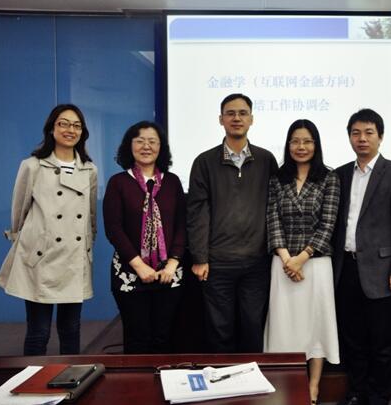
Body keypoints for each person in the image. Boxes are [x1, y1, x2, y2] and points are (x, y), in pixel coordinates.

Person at [0, 103, 97, 355]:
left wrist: (87, 245)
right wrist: (24, 242)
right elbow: (19, 210)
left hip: (73, 258)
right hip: (41, 258)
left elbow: (90, 215)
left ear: (82, 132)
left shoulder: (89, 169)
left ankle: (71, 376)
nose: (70, 130)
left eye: (76, 126)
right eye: (64, 124)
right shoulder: (33, 165)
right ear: (52, 128)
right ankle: (32, 378)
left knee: (71, 329)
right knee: (38, 332)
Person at [333, 108, 391, 405]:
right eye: (356, 133)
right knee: (353, 339)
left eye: (369, 133)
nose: (362, 138)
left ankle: (379, 396)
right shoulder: (340, 174)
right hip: (346, 267)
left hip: (383, 270)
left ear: (380, 136)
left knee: (381, 342)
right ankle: (357, 392)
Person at [187, 93, 278, 353]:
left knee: (253, 327)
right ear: (221, 119)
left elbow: (274, 208)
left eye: (242, 113)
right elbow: (197, 213)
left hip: (257, 262)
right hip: (217, 263)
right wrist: (200, 257)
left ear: (251, 119)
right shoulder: (204, 162)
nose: (236, 118)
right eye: (230, 113)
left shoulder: (266, 160)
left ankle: (252, 377)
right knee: (219, 330)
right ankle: (223, 378)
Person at [264, 119, 340, 404]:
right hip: (282, 263)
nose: (301, 146)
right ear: (288, 145)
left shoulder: (329, 178)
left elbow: (328, 224)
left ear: (316, 145)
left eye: (307, 141)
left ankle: (313, 386)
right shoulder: (277, 178)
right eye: (295, 141)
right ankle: (284, 384)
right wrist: (287, 259)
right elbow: (272, 219)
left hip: (316, 264)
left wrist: (302, 258)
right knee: (283, 325)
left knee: (316, 325)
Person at [103, 121, 186, 354]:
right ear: (129, 146)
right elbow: (114, 229)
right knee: (137, 339)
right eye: (140, 141)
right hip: (130, 273)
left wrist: (172, 263)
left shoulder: (172, 182)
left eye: (152, 141)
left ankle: (164, 378)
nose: (146, 146)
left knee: (164, 338)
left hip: (169, 274)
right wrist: (139, 266)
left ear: (161, 147)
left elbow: (182, 225)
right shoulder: (118, 182)